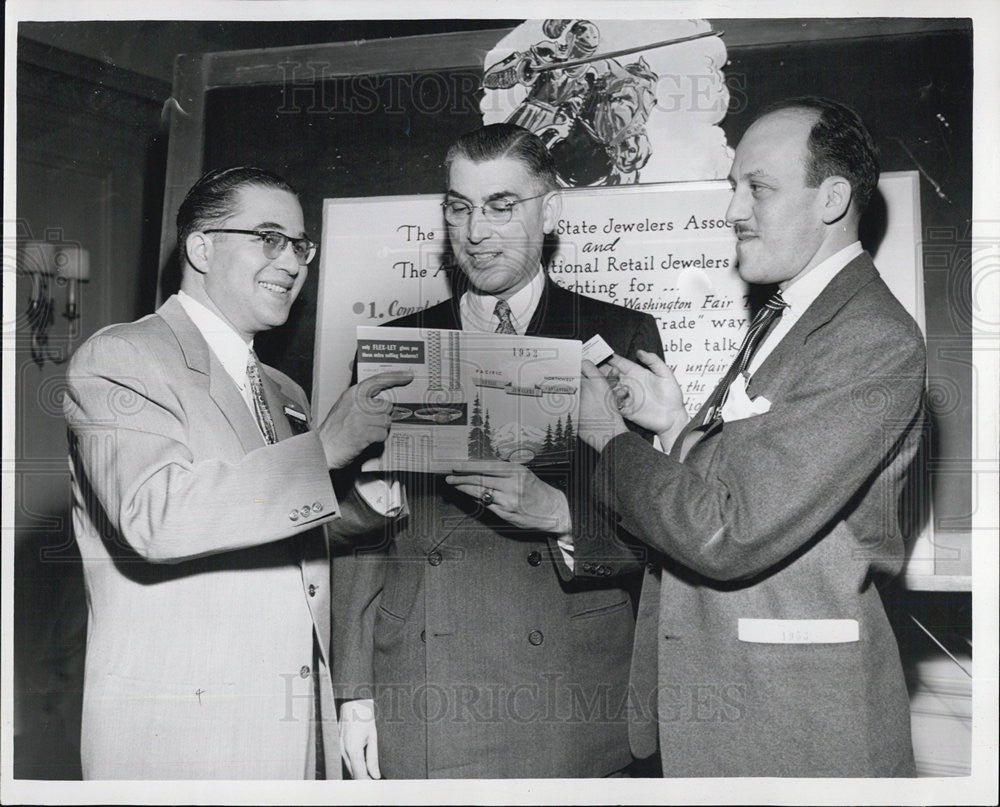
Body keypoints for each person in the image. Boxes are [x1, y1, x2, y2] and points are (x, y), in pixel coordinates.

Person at [577, 97, 924, 777]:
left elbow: (728, 534)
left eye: (756, 188)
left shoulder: (871, 337)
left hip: (794, 724)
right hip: (743, 710)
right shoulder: (795, 311)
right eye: (733, 187)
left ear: (830, 199)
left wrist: (609, 440)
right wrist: (674, 424)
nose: (733, 210)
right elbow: (754, 479)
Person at [332, 124, 664, 778]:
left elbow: (656, 526)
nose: (476, 232)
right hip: (428, 683)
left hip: (568, 686)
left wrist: (562, 515)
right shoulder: (399, 344)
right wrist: (354, 687)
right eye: (459, 207)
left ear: (552, 209)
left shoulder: (617, 335)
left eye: (502, 206)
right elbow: (356, 538)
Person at [63, 166, 412, 779]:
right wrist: (323, 452)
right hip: (181, 740)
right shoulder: (122, 356)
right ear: (201, 247)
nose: (293, 262)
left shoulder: (281, 390)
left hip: (292, 728)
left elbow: (282, 530)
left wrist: (369, 503)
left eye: (300, 246)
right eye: (268, 238)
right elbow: (158, 517)